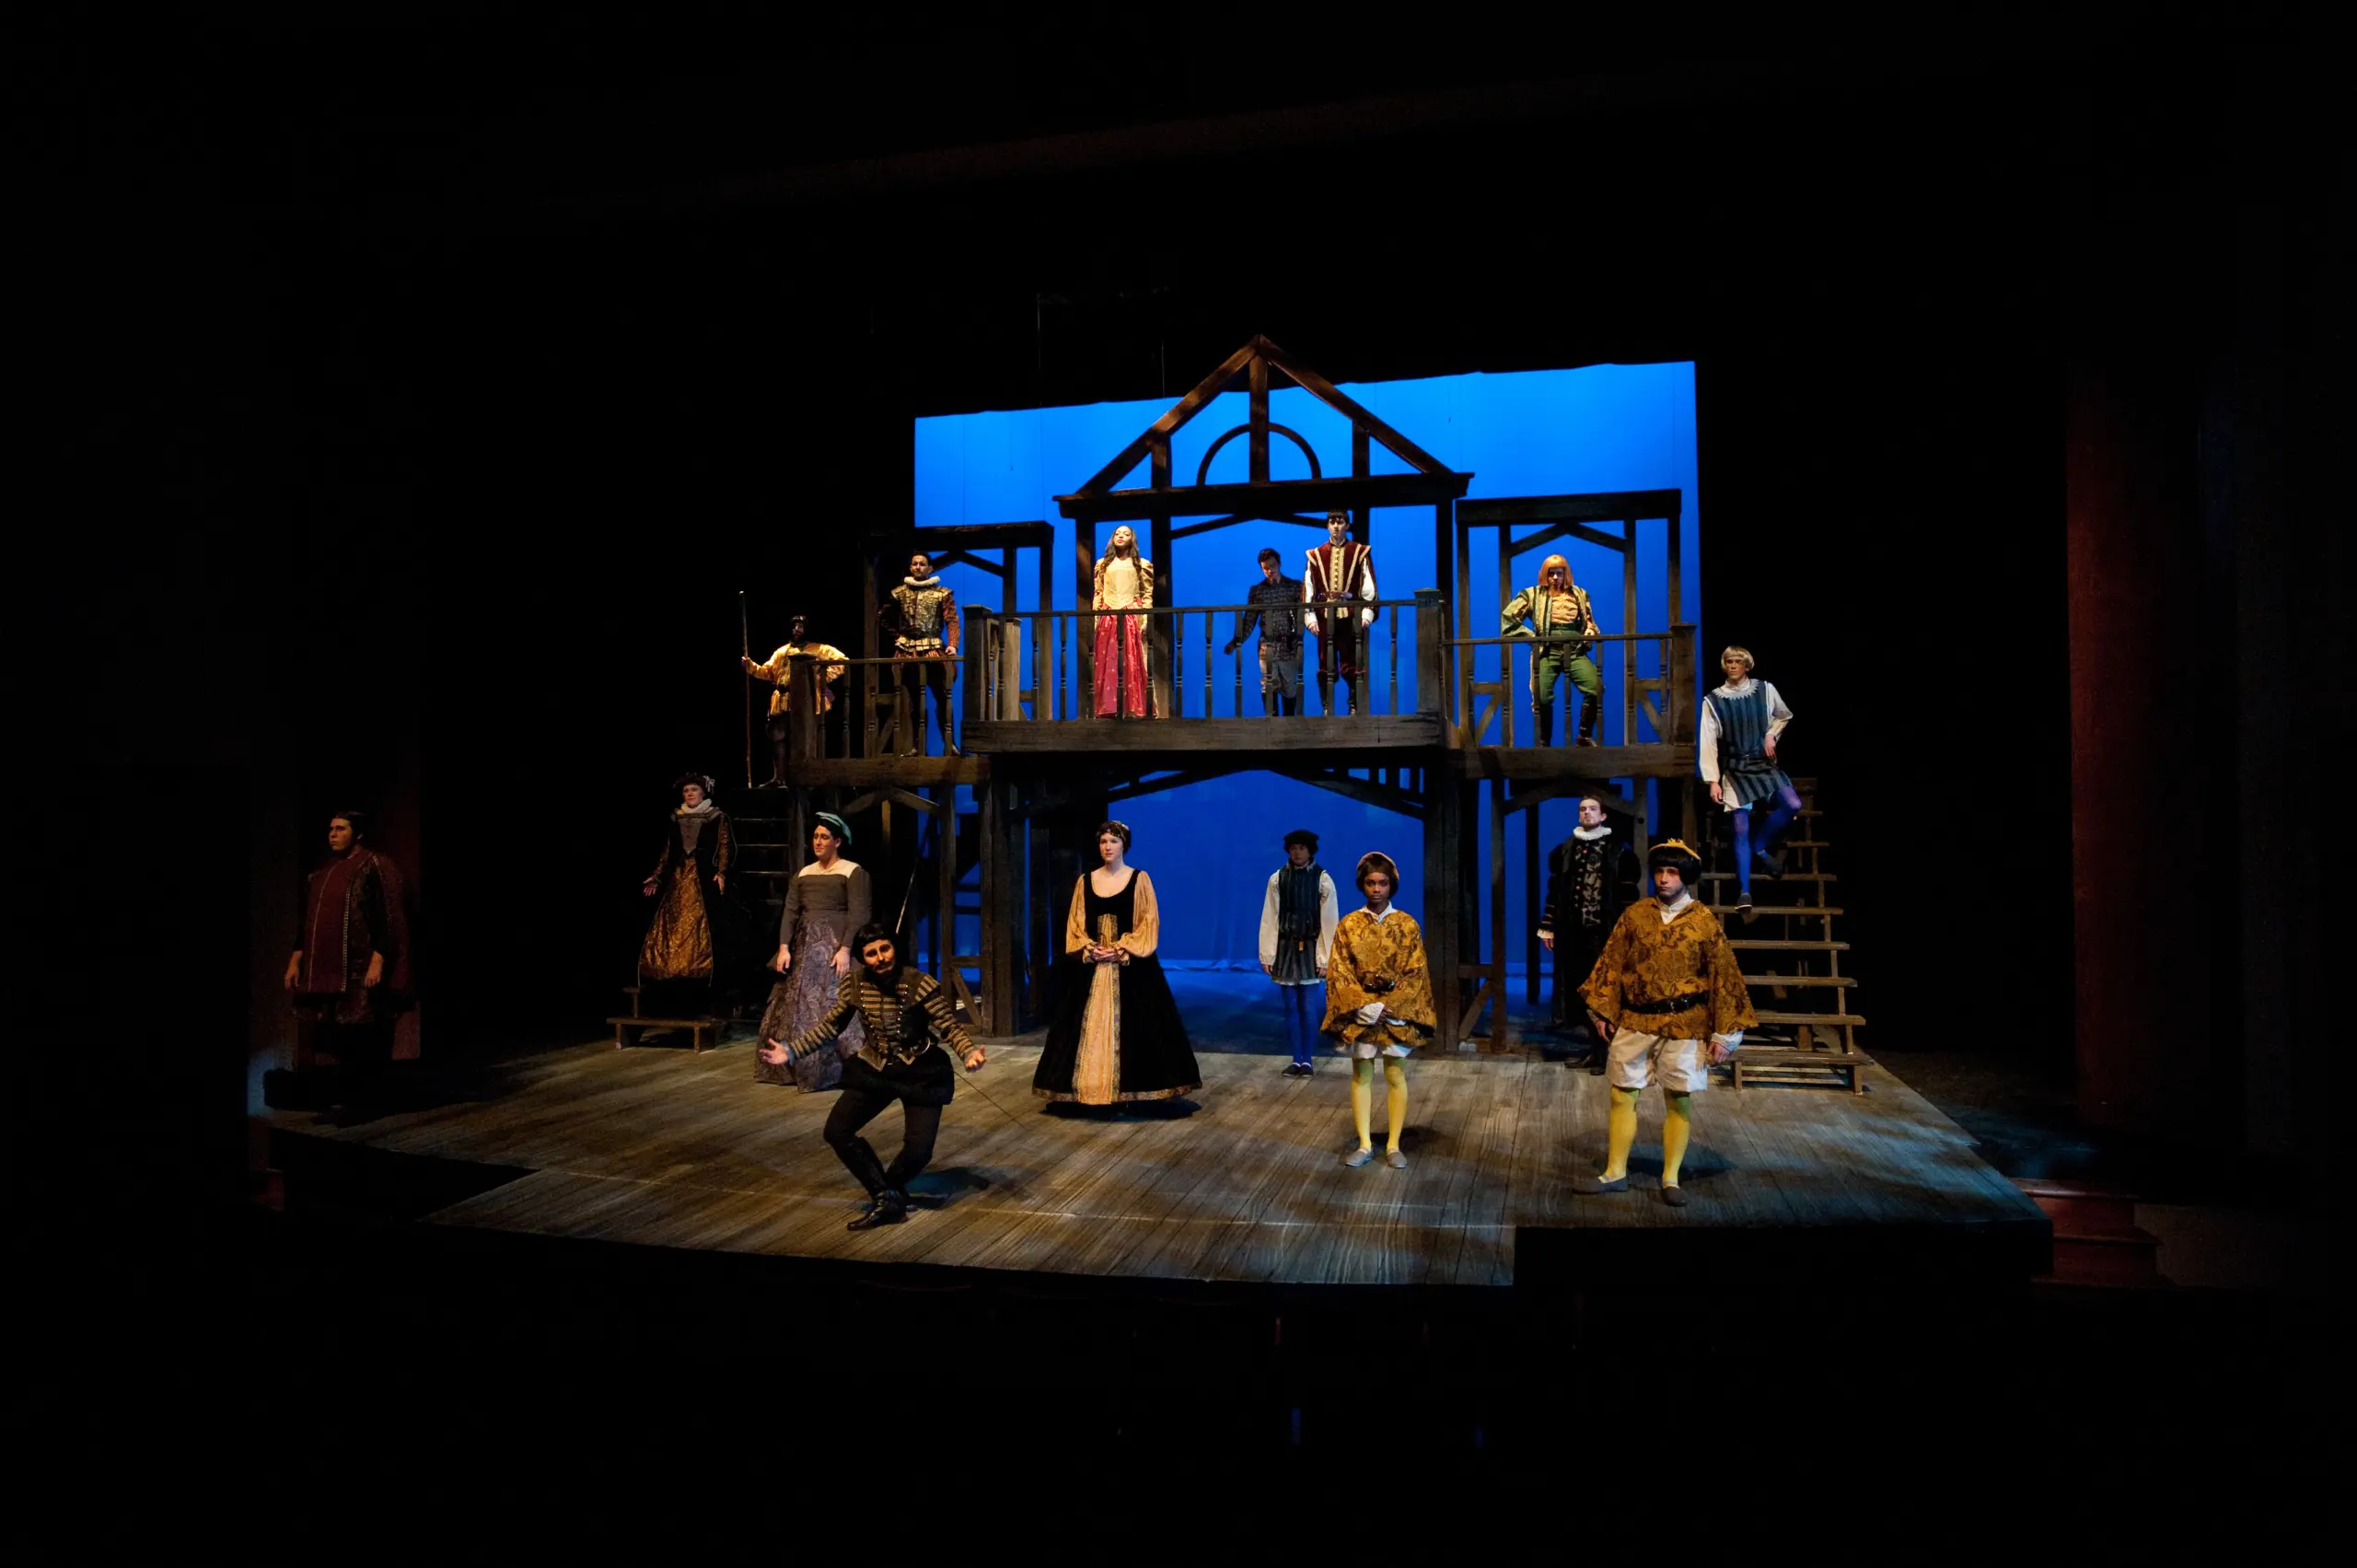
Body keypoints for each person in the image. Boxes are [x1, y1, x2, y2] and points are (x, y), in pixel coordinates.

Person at [763, 923, 986, 1232]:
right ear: (862, 958)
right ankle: (884, 1196)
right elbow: (830, 1027)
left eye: (885, 949)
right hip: (877, 1069)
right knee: (837, 1130)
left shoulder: (919, 983)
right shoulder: (854, 985)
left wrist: (968, 1053)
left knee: (919, 1151)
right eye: (871, 953)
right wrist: (791, 1050)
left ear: (895, 948)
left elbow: (948, 1025)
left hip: (920, 1071)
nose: (880, 958)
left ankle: (891, 1188)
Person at [1576, 839, 1755, 1206]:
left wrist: (1724, 1034)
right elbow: (1612, 962)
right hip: (1637, 1018)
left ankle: (1670, 1178)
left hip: (1686, 1022)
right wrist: (1603, 1011)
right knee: (1622, 1093)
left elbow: (1725, 977)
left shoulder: (1704, 922)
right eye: (1659, 871)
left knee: (1679, 1098)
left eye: (1672, 872)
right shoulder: (1636, 915)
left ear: (1686, 877)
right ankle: (1615, 1172)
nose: (1663, 879)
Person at [1032, 820, 1201, 1105]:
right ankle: (1087, 1091)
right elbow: (1075, 924)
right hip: (1091, 965)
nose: (1107, 847)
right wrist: (1089, 947)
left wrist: (1122, 948)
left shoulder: (1139, 879)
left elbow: (1148, 923)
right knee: (1075, 1028)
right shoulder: (1085, 881)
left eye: (1113, 841)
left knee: (1142, 1029)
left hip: (1131, 968)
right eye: (1103, 842)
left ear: (1124, 845)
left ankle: (1131, 1092)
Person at [284, 810, 412, 1099]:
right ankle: (346, 1095)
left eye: (341, 828)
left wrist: (378, 960)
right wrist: (295, 960)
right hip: (327, 969)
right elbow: (306, 921)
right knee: (335, 1036)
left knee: (364, 1034)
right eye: (331, 829)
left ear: (358, 834)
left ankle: (369, 1097)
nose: (333, 834)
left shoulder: (373, 866)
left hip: (360, 968)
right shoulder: (321, 873)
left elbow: (387, 915)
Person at [1322, 851, 1435, 1167]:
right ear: (1362, 884)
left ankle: (1394, 1145)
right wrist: (1364, 1005)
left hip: (1394, 1011)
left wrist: (1390, 1005)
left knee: (1395, 1073)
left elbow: (1416, 972)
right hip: (1363, 1010)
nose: (1376, 889)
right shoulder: (1350, 925)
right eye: (1371, 883)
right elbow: (1340, 971)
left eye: (1382, 883)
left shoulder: (1406, 924)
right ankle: (1364, 1143)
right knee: (1361, 1073)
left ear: (1391, 885)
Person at [754, 812, 873, 1091]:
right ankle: (791, 1066)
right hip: (805, 946)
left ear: (838, 841)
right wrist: (784, 948)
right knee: (794, 1004)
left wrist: (845, 949)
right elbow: (791, 911)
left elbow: (859, 913)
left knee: (832, 1002)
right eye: (815, 837)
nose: (818, 842)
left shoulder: (852, 871)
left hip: (834, 944)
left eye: (824, 837)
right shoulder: (804, 873)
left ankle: (838, 1069)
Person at [1698, 645, 1800, 917]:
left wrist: (1771, 736)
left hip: (1763, 764)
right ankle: (1744, 890)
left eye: (1737, 662)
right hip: (1735, 769)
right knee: (1740, 826)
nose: (1732, 666)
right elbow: (1708, 742)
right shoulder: (1714, 700)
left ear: (1747, 665)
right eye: (1728, 661)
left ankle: (1759, 846)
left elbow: (1783, 715)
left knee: (1792, 803)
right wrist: (1712, 780)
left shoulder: (1765, 689)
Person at [1538, 793, 1636, 1068]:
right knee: (1580, 991)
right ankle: (1595, 1050)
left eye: (1593, 809)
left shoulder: (1617, 849)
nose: (1587, 814)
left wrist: (1625, 934)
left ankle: (1607, 1053)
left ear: (1604, 815)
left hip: (1604, 935)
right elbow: (1555, 889)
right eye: (1582, 809)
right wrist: (1547, 927)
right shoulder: (1568, 847)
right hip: (1574, 934)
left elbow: (1627, 896)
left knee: (1605, 992)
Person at [637, 773, 748, 1017]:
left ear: (703, 793)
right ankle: (669, 976)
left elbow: (725, 846)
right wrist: (657, 876)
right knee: (671, 925)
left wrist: (721, 873)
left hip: (704, 877)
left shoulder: (716, 817)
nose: (689, 794)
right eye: (686, 791)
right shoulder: (676, 818)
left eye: (694, 790)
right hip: (679, 876)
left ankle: (702, 977)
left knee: (705, 925)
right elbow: (668, 851)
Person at [1258, 828, 1340, 1076]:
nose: (1297, 852)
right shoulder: (1277, 879)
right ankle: (1296, 1059)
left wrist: (1325, 957)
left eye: (1301, 848)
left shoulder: (1322, 879)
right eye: (1293, 848)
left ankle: (1308, 1060)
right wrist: (1268, 954)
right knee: (1291, 1007)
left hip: (1311, 948)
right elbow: (1269, 917)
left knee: (1308, 1007)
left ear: (1310, 850)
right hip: (1285, 947)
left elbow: (1329, 920)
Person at [1500, 552, 1604, 746]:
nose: (1555, 577)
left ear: (1566, 574)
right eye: (1551, 573)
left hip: (1575, 650)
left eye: (1559, 573)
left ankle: (1584, 735)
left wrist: (1590, 630)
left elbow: (1589, 621)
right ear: (1545, 575)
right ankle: (1544, 741)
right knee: (1542, 695)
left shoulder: (1579, 594)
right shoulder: (1533, 594)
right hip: (1548, 651)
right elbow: (1508, 618)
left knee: (1595, 687)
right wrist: (1533, 638)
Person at [742, 612, 848, 781]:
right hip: (782, 698)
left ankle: (807, 774)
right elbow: (768, 672)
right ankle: (780, 777)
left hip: (806, 699)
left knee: (803, 736)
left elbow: (842, 661)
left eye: (800, 626)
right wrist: (751, 666)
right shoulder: (781, 651)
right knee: (778, 735)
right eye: (794, 626)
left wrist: (819, 678)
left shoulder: (820, 649)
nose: (796, 630)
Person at [887, 550, 959, 755]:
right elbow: (883, 616)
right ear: (910, 567)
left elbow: (952, 620)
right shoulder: (899, 593)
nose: (917, 567)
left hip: (933, 650)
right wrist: (898, 635)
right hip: (908, 651)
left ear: (930, 568)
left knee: (942, 696)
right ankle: (917, 746)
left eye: (921, 564)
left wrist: (952, 644)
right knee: (914, 700)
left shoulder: (941, 593)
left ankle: (950, 743)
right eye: (914, 564)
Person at [1304, 511, 1376, 715]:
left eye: (1340, 522)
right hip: (1324, 615)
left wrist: (1366, 615)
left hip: (1350, 613)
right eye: (1332, 522)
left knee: (1351, 661)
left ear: (1347, 525)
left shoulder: (1359, 551)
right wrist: (1309, 617)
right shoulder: (1315, 554)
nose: (1336, 526)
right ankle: (1327, 707)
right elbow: (1308, 587)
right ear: (1327, 526)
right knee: (1324, 663)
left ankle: (1353, 705)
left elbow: (1368, 586)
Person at [1225, 547, 1306, 716]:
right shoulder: (1258, 591)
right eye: (1266, 568)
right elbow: (1250, 620)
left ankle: (1289, 723)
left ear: (1279, 564)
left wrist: (1298, 640)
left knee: (1289, 687)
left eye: (1273, 566)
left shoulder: (1294, 587)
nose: (1270, 570)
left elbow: (1301, 617)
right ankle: (1272, 720)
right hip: (1267, 644)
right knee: (1268, 684)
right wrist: (1236, 641)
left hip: (1288, 643)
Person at [1090, 525, 1156, 718]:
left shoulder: (1141, 564)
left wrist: (1146, 619)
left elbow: (1146, 595)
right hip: (1109, 616)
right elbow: (1098, 594)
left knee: (1131, 660)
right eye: (1117, 534)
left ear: (1132, 539)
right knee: (1108, 661)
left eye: (1126, 534)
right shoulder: (1102, 564)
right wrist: (1096, 618)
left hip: (1131, 614)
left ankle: (1133, 708)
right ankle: (1107, 707)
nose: (1121, 537)